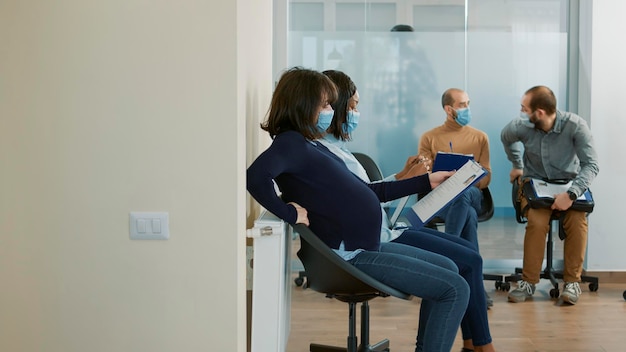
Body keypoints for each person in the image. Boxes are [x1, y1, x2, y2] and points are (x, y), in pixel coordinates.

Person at [247, 67, 469, 352]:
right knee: (455, 289)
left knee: (449, 268)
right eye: (325, 103)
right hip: (349, 257)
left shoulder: (313, 146)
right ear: (303, 104)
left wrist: (426, 180)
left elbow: (370, 192)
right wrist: (289, 213)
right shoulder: (290, 143)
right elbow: (255, 177)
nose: (331, 110)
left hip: (366, 246)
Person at [318, 69, 496, 352]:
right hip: (375, 240)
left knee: (466, 249)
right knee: (462, 263)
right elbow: (365, 199)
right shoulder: (326, 155)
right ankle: (478, 344)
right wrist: (411, 179)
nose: (356, 113)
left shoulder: (339, 151)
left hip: (386, 230)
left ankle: (471, 342)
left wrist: (404, 176)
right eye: (353, 106)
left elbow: (365, 194)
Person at [501, 85, 599, 305]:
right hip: (536, 184)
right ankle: (528, 282)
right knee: (537, 221)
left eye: (524, 108)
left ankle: (572, 282)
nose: (521, 112)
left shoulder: (575, 126)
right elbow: (505, 138)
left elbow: (591, 165)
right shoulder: (521, 126)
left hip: (568, 186)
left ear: (540, 113)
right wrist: (517, 164)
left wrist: (571, 194)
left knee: (577, 221)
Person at [418, 88, 492, 251]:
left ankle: (448, 250)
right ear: (448, 109)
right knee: (469, 215)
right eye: (462, 105)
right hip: (442, 196)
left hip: (472, 193)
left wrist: (466, 179)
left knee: (463, 192)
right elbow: (424, 173)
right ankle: (471, 269)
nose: (467, 108)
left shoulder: (480, 137)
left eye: (468, 104)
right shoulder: (429, 137)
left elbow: (487, 176)